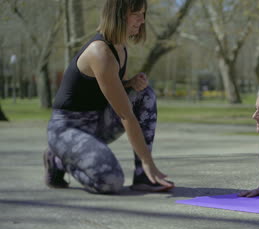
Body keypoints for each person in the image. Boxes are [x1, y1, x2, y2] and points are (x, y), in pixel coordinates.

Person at [44, 0, 174, 194]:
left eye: (143, 13)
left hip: (97, 123)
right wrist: (149, 161)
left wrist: (129, 83)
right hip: (67, 129)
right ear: (118, 14)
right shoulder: (100, 52)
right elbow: (125, 115)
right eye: (136, 13)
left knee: (144, 94)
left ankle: (143, 176)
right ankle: (58, 160)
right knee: (111, 181)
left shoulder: (120, 47)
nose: (142, 19)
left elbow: (106, 88)